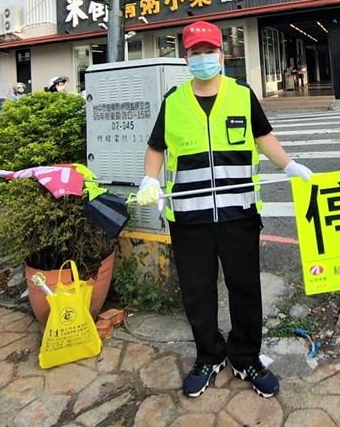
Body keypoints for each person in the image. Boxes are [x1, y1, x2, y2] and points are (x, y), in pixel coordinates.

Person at [137, 20, 312, 399]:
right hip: (189, 216)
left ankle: (246, 357)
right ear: (186, 58)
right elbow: (156, 147)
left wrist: (290, 165)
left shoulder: (241, 94)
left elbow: (263, 136)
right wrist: (150, 180)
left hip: (238, 213)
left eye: (208, 51)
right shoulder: (174, 101)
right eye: (194, 52)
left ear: (221, 54)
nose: (202, 59)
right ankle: (208, 355)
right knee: (197, 291)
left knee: (245, 288)